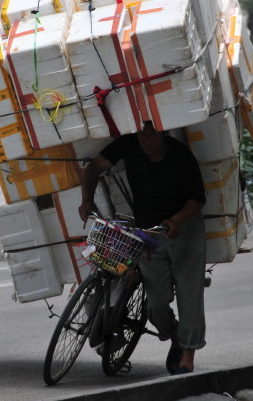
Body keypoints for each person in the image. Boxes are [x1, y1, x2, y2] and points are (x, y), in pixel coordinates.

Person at [79, 120, 207, 375]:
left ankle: (188, 355)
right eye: (142, 134)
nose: (146, 140)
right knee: (155, 304)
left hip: (184, 229)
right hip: (148, 233)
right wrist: (87, 200)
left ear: (164, 132)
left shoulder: (181, 156)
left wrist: (176, 221)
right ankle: (176, 338)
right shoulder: (129, 146)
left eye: (153, 134)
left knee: (189, 292)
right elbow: (94, 167)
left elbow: (197, 198)